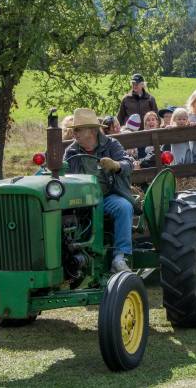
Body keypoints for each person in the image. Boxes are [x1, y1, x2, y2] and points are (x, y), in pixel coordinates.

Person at [63, 108, 136, 273]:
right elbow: (64, 175)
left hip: (107, 196)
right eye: (74, 130)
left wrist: (116, 165)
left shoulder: (111, 145)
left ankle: (120, 257)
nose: (74, 133)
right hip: (79, 201)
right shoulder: (71, 151)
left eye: (78, 129)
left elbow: (127, 163)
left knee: (123, 207)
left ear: (92, 131)